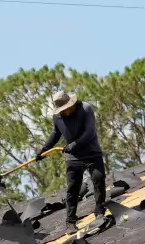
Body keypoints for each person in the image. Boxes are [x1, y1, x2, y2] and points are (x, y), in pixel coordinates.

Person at [37, 90, 106, 233]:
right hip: (73, 158)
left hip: (92, 153)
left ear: (72, 104)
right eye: (62, 110)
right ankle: (70, 222)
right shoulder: (58, 116)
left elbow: (90, 132)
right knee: (72, 188)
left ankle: (99, 211)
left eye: (66, 109)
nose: (65, 112)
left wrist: (72, 146)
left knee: (98, 179)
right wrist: (44, 150)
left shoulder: (85, 109)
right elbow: (55, 133)